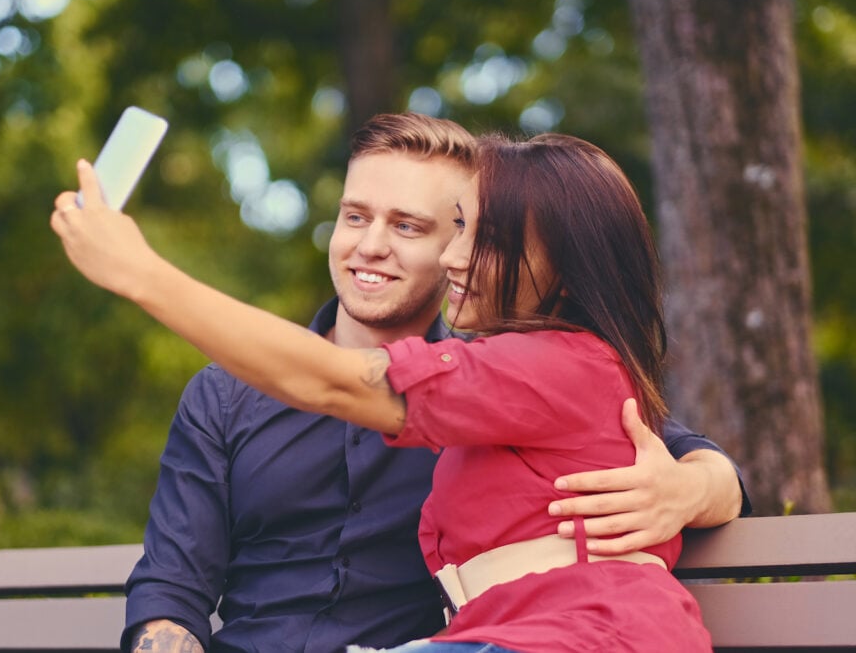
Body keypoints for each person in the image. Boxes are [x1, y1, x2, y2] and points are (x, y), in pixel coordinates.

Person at [52, 116, 745, 652]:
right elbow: (171, 587)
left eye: (412, 226)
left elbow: (679, 452)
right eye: (355, 216)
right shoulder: (223, 397)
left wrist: (693, 486)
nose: (370, 244)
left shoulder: (516, 375)